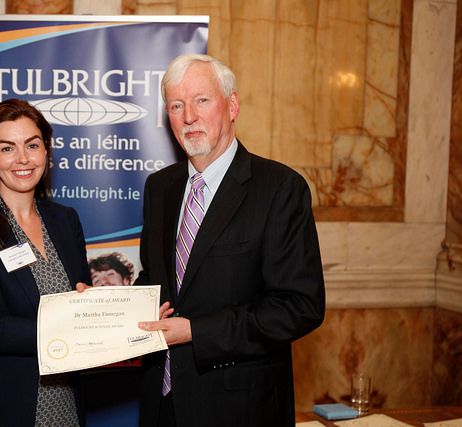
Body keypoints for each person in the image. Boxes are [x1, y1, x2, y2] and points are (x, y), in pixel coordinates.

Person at [136, 54, 326, 426]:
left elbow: (299, 307)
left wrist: (196, 331)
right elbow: (155, 284)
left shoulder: (279, 189)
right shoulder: (159, 188)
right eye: (176, 105)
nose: (188, 116)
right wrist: (103, 309)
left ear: (232, 104)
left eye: (201, 100)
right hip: (162, 404)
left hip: (238, 409)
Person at [0, 99, 91, 426]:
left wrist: (97, 309)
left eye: (32, 145)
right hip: (1, 402)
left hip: (65, 399)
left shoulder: (65, 220)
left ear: (46, 152)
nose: (23, 159)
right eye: (7, 148)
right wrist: (77, 327)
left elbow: (81, 295)